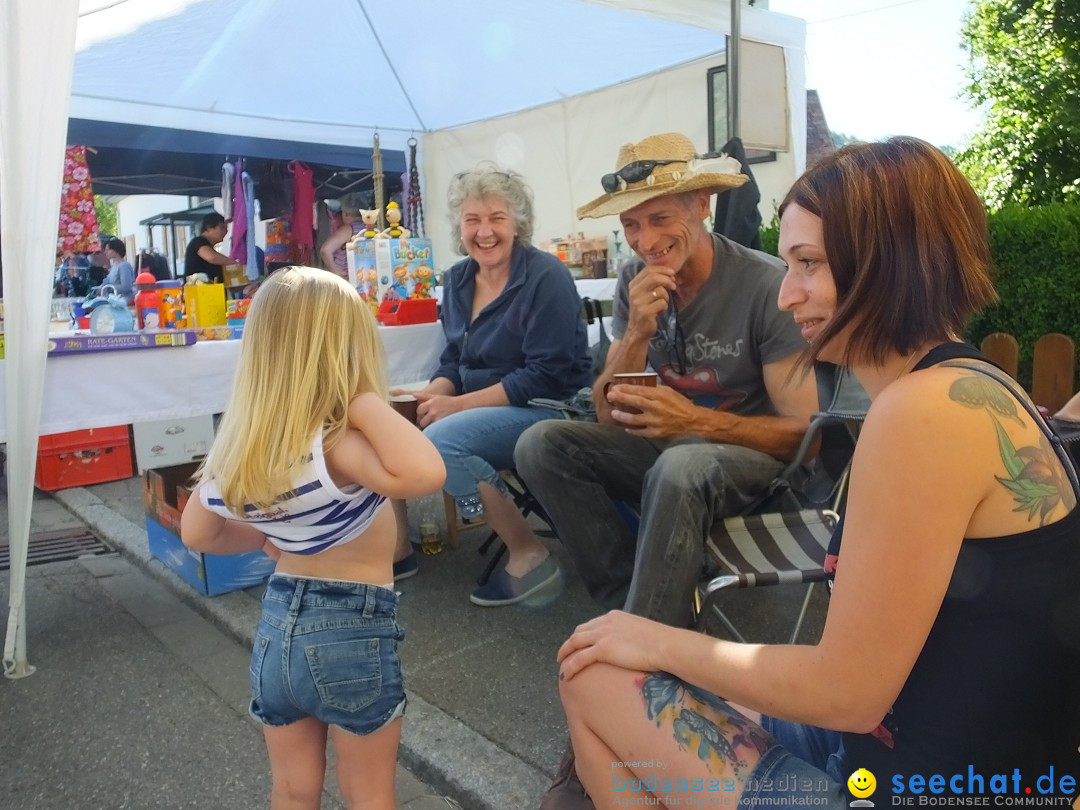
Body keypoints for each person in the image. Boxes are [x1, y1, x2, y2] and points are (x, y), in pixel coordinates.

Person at [553, 137, 1080, 807]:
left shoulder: (923, 414)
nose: (785, 295)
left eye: (808, 264)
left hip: (909, 787)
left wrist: (655, 637)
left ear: (886, 265)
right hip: (904, 751)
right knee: (604, 667)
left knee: (595, 674)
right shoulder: (970, 383)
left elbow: (847, 693)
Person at [516, 132, 817, 808]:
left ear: (702, 205)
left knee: (681, 464)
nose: (645, 239)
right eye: (631, 225)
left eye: (660, 218)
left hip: (749, 463)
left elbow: (804, 437)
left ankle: (626, 684)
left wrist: (699, 422)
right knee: (541, 445)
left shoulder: (764, 285)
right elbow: (604, 414)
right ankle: (642, 616)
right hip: (671, 452)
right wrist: (634, 337)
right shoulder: (634, 284)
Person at [180, 267, 446, 810]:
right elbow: (426, 473)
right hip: (351, 629)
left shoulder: (247, 449)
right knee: (368, 792)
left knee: (294, 790)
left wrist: (260, 540)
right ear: (348, 350)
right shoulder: (339, 442)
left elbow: (197, 532)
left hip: (277, 630)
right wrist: (363, 399)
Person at [390, 165, 592, 607]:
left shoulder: (546, 277)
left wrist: (458, 407)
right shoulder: (458, 279)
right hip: (486, 408)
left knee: (445, 440)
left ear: (517, 223)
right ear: (458, 226)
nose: (485, 232)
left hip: (551, 407)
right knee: (385, 418)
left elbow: (545, 374)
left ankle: (529, 553)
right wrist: (435, 393)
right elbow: (455, 358)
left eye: (497, 218)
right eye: (472, 220)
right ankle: (398, 550)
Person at [319, 194, 364, 280]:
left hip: (347, 279)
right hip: (365, 276)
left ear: (346, 214)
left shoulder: (349, 229)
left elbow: (325, 250)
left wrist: (335, 271)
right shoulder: (373, 228)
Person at [184, 212, 232, 284]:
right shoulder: (198, 242)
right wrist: (235, 262)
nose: (226, 231)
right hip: (199, 292)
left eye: (226, 228)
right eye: (222, 227)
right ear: (209, 227)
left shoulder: (210, 247)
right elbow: (212, 257)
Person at [101, 238, 135, 302]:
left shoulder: (124, 266)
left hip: (124, 301)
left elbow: (126, 287)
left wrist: (108, 288)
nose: (105, 252)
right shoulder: (114, 265)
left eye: (108, 250)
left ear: (115, 250)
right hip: (115, 299)